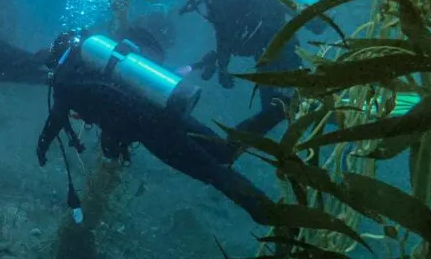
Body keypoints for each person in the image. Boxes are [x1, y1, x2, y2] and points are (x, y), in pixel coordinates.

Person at [36, 30, 274, 226]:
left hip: (151, 129)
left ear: (53, 62)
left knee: (213, 172)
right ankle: (278, 109)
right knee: (225, 150)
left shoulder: (64, 81)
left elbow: (56, 120)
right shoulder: (97, 59)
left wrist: (42, 147)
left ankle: (274, 216)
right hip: (165, 105)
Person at [177, 0, 326, 138]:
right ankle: (242, 139)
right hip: (271, 43)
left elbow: (224, 34)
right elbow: (229, 34)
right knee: (279, 101)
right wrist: (218, 62)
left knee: (283, 99)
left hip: (275, 43)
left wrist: (223, 68)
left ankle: (239, 141)